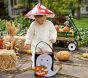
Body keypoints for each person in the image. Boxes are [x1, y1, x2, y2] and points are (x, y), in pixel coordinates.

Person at [23, 3, 57, 69]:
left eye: (42, 20)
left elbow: (53, 31)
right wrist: (27, 42)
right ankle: (36, 65)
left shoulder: (49, 24)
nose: (40, 22)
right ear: (34, 18)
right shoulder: (33, 24)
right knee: (35, 54)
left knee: (47, 54)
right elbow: (30, 34)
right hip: (36, 44)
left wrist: (53, 38)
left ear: (45, 16)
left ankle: (47, 65)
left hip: (47, 43)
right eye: (37, 20)